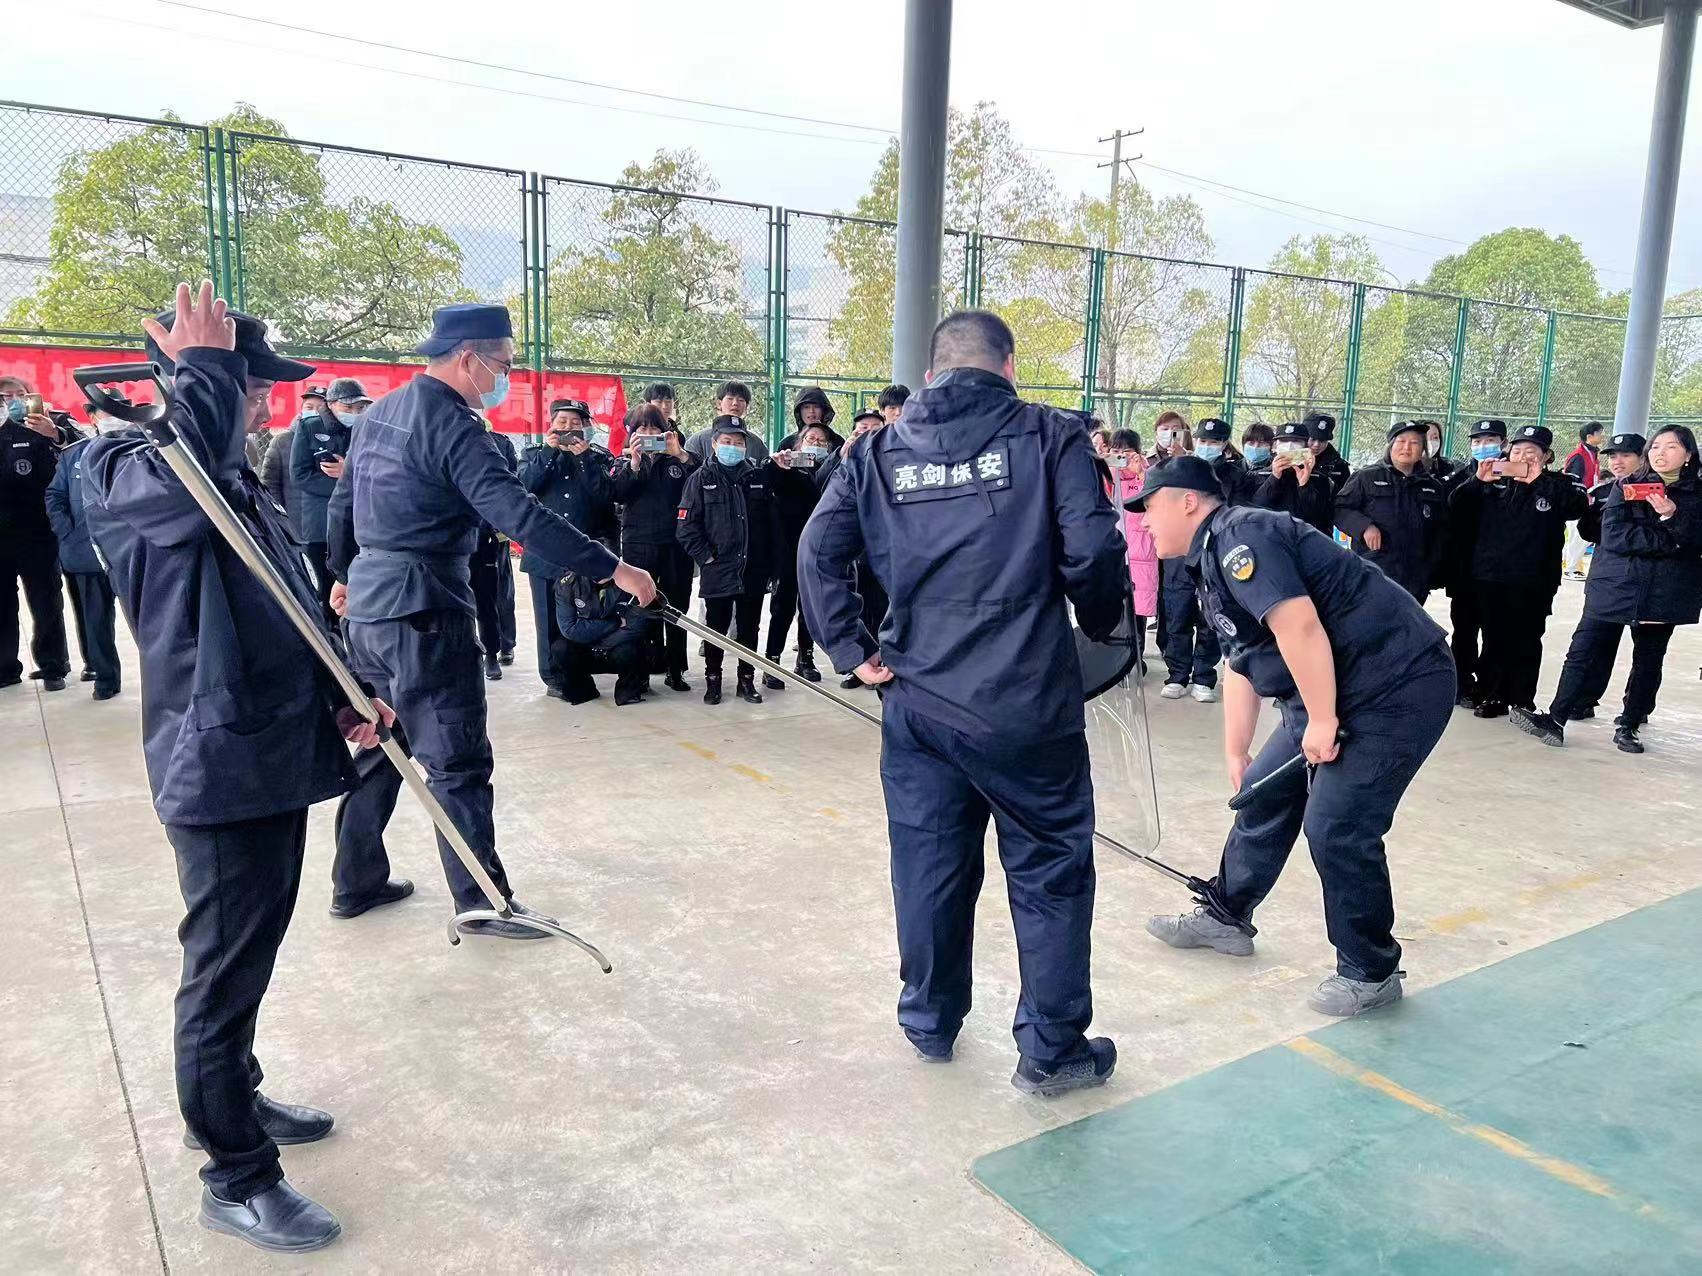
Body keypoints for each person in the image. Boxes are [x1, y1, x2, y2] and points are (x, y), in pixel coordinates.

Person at [81, 284, 395, 1253]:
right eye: (248, 380)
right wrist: (207, 374)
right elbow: (180, 494)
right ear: (191, 379)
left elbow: (282, 607)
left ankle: (234, 1096)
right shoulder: (125, 465)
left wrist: (345, 686)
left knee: (248, 955)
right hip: (214, 762)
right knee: (219, 975)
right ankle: (235, 1173)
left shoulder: (235, 479)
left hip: (266, 745)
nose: (265, 398)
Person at [800, 309, 1129, 1097]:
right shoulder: (1050, 436)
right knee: (1049, 868)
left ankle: (930, 1020)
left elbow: (817, 551)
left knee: (928, 864)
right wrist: (1098, 624)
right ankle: (1051, 1049)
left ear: (930, 373)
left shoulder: (876, 451)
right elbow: (1093, 551)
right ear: (1008, 366)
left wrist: (853, 650)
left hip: (916, 701)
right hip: (1025, 701)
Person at [326, 303, 656, 939]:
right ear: (467, 358)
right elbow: (521, 516)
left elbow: (343, 506)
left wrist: (345, 576)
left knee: (381, 742)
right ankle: (483, 902)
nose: (505, 376)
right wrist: (614, 568)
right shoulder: (457, 428)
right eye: (502, 364)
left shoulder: (381, 414)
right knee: (456, 764)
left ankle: (355, 880)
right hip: (425, 611)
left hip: (369, 609)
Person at [1135, 455, 1454, 1017]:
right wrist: (1237, 749)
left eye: (1150, 506)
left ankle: (1371, 970)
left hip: (1396, 684)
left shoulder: (1243, 537)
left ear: (1187, 501)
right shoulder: (1208, 557)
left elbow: (1299, 626)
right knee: (1261, 793)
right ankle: (1225, 916)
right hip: (1331, 687)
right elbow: (1243, 657)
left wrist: (1324, 720)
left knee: (1337, 825)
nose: (1144, 520)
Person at [1514, 426, 1701, 754]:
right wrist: (1670, 540)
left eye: (1671, 447)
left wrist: (1671, 515)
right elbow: (1613, 536)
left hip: (1663, 590)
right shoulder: (1624, 486)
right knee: (1582, 651)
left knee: (1648, 659)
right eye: (1656, 446)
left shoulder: (1696, 494)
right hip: (1614, 584)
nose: (1660, 453)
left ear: (1688, 454)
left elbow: (1695, 540)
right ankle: (1556, 718)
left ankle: (1629, 725)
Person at [1448, 423, 1587, 720]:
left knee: (1527, 637)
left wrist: (1538, 482)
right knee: (1494, 636)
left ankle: (1522, 697)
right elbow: (1457, 507)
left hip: (1535, 578)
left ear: (1546, 456)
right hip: (1490, 574)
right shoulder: (1493, 481)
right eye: (1518, 450)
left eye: (1532, 451)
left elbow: (1576, 508)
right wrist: (1477, 482)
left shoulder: (1560, 483)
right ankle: (1492, 693)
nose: (1523, 456)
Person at [676, 415, 783, 705]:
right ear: (714, 443)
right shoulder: (701, 479)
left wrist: (772, 566)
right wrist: (706, 558)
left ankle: (746, 680)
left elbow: (772, 525)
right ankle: (713, 681)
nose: (733, 447)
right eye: (727, 441)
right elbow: (686, 527)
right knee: (716, 628)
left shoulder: (756, 478)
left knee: (749, 628)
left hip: (752, 568)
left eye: (738, 442)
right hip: (718, 569)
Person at [517, 398, 617, 697]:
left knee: (586, 614)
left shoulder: (599, 458)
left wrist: (584, 458)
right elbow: (522, 487)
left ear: (586, 427)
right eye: (562, 423)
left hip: (585, 555)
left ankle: (579, 670)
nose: (569, 429)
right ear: (551, 425)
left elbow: (605, 496)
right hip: (543, 554)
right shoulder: (533, 454)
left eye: (576, 423)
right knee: (547, 618)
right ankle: (552, 677)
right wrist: (549, 452)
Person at [610, 403, 697, 690]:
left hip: (675, 545)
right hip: (638, 544)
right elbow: (617, 493)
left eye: (655, 427)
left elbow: (700, 478)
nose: (648, 433)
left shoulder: (679, 460)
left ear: (666, 431)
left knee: (677, 605)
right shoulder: (624, 461)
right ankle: (644, 669)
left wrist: (680, 454)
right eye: (642, 428)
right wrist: (635, 463)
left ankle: (676, 669)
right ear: (632, 432)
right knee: (641, 605)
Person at [766, 388, 845, 686]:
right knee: (782, 605)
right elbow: (770, 487)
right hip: (788, 543)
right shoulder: (788, 451)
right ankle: (771, 661)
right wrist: (779, 466)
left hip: (821, 543)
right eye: (805, 408)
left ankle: (806, 658)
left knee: (810, 606)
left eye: (817, 408)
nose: (811, 413)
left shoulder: (836, 455)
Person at [44, 404, 123, 700]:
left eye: (119, 411)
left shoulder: (143, 450)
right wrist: (67, 531)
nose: (114, 418)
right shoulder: (74, 455)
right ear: (92, 418)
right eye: (106, 412)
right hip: (87, 551)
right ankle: (105, 679)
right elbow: (55, 495)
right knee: (96, 620)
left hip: (131, 553)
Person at [0, 377, 72, 691]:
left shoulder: (45, 426)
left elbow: (74, 449)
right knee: (2, 605)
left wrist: (54, 434)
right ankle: (5, 669)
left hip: (37, 531)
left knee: (46, 602)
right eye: (6, 396)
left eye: (21, 395)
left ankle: (53, 666)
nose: (14, 401)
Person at [1332, 420, 1448, 602]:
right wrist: (1365, 527)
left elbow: (1440, 531)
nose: (1407, 448)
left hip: (1415, 578)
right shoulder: (1366, 477)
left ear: (1422, 449)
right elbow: (1340, 508)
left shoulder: (1433, 487)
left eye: (1415, 443)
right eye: (1401, 441)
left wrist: (1432, 571)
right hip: (1374, 572)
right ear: (1390, 445)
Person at [815, 408, 890, 688]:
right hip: (852, 555)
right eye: (861, 430)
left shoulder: (895, 463)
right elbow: (820, 485)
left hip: (883, 556)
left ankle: (880, 660)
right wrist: (841, 457)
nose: (867, 435)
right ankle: (857, 663)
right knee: (856, 606)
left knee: (881, 610)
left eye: (874, 429)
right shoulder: (846, 460)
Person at [1440, 420, 1506, 709]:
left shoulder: (1515, 475)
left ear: (1503, 444)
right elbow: (1451, 509)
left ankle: (1489, 687)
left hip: (1501, 572)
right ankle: (1462, 683)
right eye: (1477, 442)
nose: (1483, 446)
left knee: (1496, 631)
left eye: (1490, 441)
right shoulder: (1459, 477)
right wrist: (1476, 482)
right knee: (1464, 630)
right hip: (1465, 570)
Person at [289, 379, 365, 621]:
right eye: (348, 408)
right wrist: (344, 486)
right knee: (323, 592)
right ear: (331, 404)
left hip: (356, 524)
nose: (354, 414)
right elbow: (299, 474)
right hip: (319, 526)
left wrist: (349, 475)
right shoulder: (309, 427)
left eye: (359, 408)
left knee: (357, 592)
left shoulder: (366, 428)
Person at [551, 549, 652, 705]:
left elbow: (636, 626)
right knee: (561, 648)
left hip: (616, 647)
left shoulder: (632, 581)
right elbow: (569, 628)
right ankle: (583, 691)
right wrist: (615, 623)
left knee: (633, 648)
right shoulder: (568, 585)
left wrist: (594, 637)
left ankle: (628, 692)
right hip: (585, 647)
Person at [470, 419, 520, 680]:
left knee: (494, 595)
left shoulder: (500, 443)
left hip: (490, 533)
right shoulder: (439, 440)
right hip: (453, 536)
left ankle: (496, 649)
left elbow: (510, 487)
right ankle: (472, 651)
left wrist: (503, 525)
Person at [1109, 428, 1156, 668]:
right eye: (1115, 450)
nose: (1121, 456)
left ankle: (1136, 660)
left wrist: (1139, 475)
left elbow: (1150, 503)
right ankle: (1115, 661)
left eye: (1126, 451)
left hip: (1139, 555)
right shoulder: (1107, 475)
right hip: (1114, 552)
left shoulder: (1148, 475)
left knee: (1137, 611)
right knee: (1114, 610)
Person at [1254, 421, 1334, 533]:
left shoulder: (1319, 479)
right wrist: (1274, 477)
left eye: (1296, 441)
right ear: (1275, 446)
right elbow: (1255, 508)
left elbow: (1318, 516)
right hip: (1269, 536)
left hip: (1302, 536)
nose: (1289, 446)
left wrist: (1304, 485)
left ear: (1306, 446)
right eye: (1284, 441)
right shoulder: (1259, 474)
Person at [685, 381, 772, 463]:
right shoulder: (699, 440)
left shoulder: (756, 443)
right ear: (719, 403)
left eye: (741, 400)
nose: (735, 403)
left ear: (747, 406)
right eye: (730, 398)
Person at [1561, 421, 1605, 580]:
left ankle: (1570, 566)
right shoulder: (1579, 455)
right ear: (1589, 436)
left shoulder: (1592, 454)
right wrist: (1577, 499)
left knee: (1579, 537)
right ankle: (1569, 569)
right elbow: (1572, 480)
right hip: (1578, 502)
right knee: (1578, 536)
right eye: (1600, 433)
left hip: (1588, 500)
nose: (1603, 436)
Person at [1305, 411, 1352, 497]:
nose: (1316, 444)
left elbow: (1344, 498)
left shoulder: (1340, 466)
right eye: (1313, 439)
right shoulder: (1291, 461)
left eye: (1322, 440)